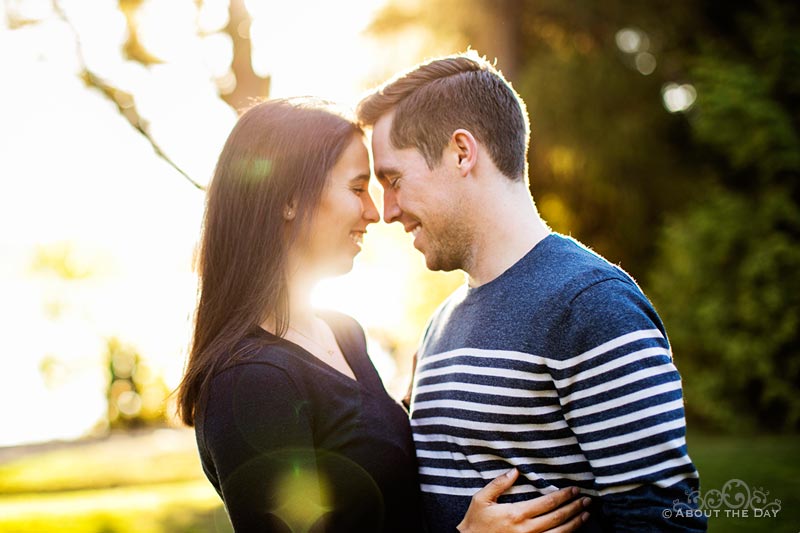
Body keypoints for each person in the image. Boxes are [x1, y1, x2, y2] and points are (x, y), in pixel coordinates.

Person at [176, 97, 591, 532]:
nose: (375, 213)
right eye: (357, 189)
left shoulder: (344, 334)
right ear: (288, 200)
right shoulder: (251, 381)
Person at [357, 51, 707, 532]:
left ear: (461, 152)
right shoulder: (440, 324)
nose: (388, 211)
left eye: (393, 180)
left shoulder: (591, 306)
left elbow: (667, 522)